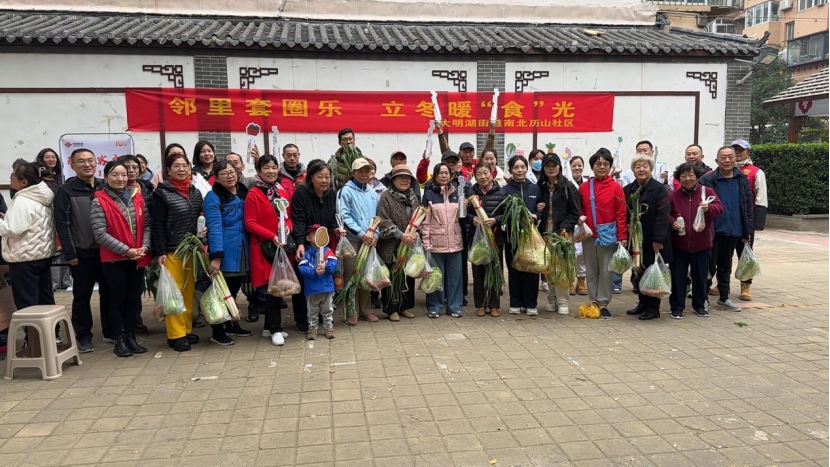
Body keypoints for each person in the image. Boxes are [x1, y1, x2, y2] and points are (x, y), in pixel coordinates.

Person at [90, 160, 150, 357]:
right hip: (114, 259)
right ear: (106, 177)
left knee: (133, 299)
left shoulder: (137, 197)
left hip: (137, 257)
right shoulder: (99, 200)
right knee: (117, 300)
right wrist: (126, 250)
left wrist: (145, 247)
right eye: (115, 174)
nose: (120, 178)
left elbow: (147, 225)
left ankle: (131, 337)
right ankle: (119, 339)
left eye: (123, 174)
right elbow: (100, 234)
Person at [54, 148, 110, 353]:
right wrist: (70, 253)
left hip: (107, 252)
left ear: (97, 163)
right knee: (81, 296)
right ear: (72, 164)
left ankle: (110, 331)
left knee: (110, 294)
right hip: (81, 253)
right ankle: (83, 335)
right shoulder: (66, 191)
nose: (87, 164)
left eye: (90, 160)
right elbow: (62, 223)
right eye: (81, 161)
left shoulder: (105, 187)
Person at [152, 150, 204, 352]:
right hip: (172, 250)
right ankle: (175, 335)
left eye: (185, 166)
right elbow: (157, 224)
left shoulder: (195, 192)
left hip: (191, 249)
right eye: (177, 166)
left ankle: (185, 329)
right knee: (174, 294)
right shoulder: (162, 193)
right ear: (168, 170)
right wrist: (161, 251)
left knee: (188, 292)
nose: (182, 170)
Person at [245, 155, 296, 345]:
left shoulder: (281, 192)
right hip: (264, 247)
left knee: (276, 287)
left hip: (280, 246)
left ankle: (268, 328)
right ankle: (276, 329)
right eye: (266, 167)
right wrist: (271, 235)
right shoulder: (253, 194)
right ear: (258, 171)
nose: (271, 171)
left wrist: (288, 226)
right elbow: (250, 223)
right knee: (273, 289)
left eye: (274, 167)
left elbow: (287, 215)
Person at [203, 160, 254, 345]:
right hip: (225, 251)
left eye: (232, 171)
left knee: (234, 288)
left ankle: (232, 324)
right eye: (224, 173)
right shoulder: (213, 196)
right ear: (216, 177)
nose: (230, 175)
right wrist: (216, 257)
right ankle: (218, 330)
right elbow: (214, 227)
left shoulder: (242, 191)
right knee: (223, 291)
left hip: (242, 249)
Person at [0, 161, 57, 324]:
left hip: (25, 258)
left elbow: (12, 229)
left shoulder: (23, 200)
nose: (11, 180)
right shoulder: (43, 195)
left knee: (28, 303)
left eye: (13, 177)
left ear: (24, 182)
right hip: (42, 255)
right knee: (45, 297)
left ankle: (33, 340)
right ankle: (53, 335)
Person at [700, 146, 754, 313]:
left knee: (726, 265)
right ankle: (702, 299)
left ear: (735, 159)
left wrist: (748, 231)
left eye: (730, 156)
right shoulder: (707, 180)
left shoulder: (741, 179)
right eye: (723, 157)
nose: (727, 160)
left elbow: (747, 205)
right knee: (709, 266)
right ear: (717, 161)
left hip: (734, 230)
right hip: (712, 230)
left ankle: (724, 298)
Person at [578, 148, 628, 320]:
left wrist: (622, 236)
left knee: (607, 271)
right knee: (591, 270)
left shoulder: (616, 187)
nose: (602, 167)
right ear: (592, 166)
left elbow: (621, 213)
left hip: (608, 236)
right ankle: (593, 301)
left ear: (610, 167)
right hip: (589, 236)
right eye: (598, 164)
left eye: (606, 164)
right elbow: (579, 210)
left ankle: (604, 303)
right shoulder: (584, 187)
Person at [669, 163, 724, 319]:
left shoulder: (707, 192)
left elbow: (720, 208)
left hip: (702, 244)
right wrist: (672, 221)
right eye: (683, 176)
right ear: (678, 178)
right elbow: (666, 213)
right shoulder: (673, 195)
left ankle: (699, 305)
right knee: (678, 278)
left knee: (700, 277)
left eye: (691, 175)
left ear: (697, 176)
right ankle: (677, 307)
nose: (687, 179)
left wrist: (709, 209)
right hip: (679, 244)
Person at [623, 155, 673, 320]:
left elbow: (663, 216)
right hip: (636, 240)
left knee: (651, 272)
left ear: (651, 169)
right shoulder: (629, 189)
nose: (641, 169)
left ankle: (653, 308)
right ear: (633, 170)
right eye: (638, 166)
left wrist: (658, 239)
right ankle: (642, 303)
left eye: (645, 166)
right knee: (638, 270)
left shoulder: (659, 189)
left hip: (652, 240)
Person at [338, 158, 381, 325]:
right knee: (351, 275)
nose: (364, 174)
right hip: (353, 239)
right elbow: (344, 216)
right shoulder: (346, 191)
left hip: (370, 240)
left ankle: (365, 309)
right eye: (360, 171)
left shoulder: (371, 193)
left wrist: (375, 235)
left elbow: (377, 216)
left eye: (367, 171)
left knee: (366, 275)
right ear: (353, 173)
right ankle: (351, 310)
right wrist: (362, 234)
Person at [537, 153, 581, 315]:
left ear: (559, 167)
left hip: (562, 235)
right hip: (545, 235)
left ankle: (563, 301)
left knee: (562, 268)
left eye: (554, 165)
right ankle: (552, 299)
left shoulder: (568, 186)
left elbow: (575, 211)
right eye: (548, 165)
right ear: (543, 168)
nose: (551, 168)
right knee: (549, 269)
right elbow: (536, 207)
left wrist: (565, 226)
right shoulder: (540, 186)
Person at [377, 165, 421, 321]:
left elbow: (418, 217)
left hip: (408, 243)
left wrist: (415, 233)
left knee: (406, 275)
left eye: (407, 178)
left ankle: (404, 307)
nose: (404, 180)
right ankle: (391, 309)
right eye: (400, 177)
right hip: (391, 244)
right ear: (393, 180)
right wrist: (400, 235)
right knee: (392, 275)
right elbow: (383, 219)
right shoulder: (386, 197)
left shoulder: (413, 196)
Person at [421, 163, 465, 318]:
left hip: (455, 241)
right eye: (441, 173)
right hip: (436, 242)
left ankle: (454, 306)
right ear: (435, 175)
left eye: (447, 173)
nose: (444, 176)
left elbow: (462, 216)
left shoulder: (458, 192)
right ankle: (434, 306)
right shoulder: (429, 194)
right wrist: (426, 241)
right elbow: (425, 221)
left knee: (455, 277)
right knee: (435, 276)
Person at [115, 154, 152, 334]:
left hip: (141, 245)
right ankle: (119, 329)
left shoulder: (147, 188)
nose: (131, 171)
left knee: (136, 287)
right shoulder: (111, 191)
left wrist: (145, 245)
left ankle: (134, 320)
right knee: (119, 291)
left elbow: (148, 220)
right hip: (119, 248)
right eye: (126, 167)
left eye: (134, 167)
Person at [503, 155, 543, 316]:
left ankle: (530, 303)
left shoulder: (535, 188)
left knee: (532, 268)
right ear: (511, 170)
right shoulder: (505, 190)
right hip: (512, 236)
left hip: (531, 236)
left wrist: (536, 215)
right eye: (516, 167)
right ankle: (515, 303)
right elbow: (502, 212)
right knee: (515, 269)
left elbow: (542, 209)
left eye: (522, 167)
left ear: (527, 168)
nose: (520, 170)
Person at [467, 162, 505, 317]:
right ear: (475, 176)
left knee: (495, 271)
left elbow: (506, 213)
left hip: (495, 239)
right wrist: (472, 219)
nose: (483, 177)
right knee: (478, 272)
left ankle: (494, 305)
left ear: (492, 173)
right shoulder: (471, 194)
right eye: (479, 174)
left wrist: (495, 219)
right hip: (477, 240)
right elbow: (463, 215)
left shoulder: (501, 192)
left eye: (485, 173)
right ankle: (481, 304)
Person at [732, 139, 767, 301]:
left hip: (746, 221)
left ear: (748, 152)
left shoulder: (755, 172)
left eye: (741, 149)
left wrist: (757, 223)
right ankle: (720, 284)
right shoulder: (725, 170)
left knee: (745, 253)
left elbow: (761, 198)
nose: (737, 152)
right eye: (735, 149)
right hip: (727, 221)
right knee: (722, 255)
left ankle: (745, 285)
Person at [297, 225, 338, 340]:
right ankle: (313, 328)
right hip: (312, 289)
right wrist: (314, 271)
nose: (318, 237)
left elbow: (335, 264)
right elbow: (302, 268)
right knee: (312, 311)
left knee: (328, 309)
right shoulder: (307, 254)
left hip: (327, 288)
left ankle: (328, 326)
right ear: (308, 238)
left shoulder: (328, 251)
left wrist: (327, 266)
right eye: (315, 234)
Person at [570, 156, 588, 295]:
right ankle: (570, 280)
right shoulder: (566, 183)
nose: (577, 168)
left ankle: (581, 281)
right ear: (570, 167)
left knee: (582, 254)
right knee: (570, 253)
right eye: (574, 165)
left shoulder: (588, 183)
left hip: (584, 223)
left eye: (579, 165)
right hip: (571, 222)